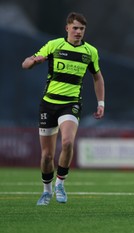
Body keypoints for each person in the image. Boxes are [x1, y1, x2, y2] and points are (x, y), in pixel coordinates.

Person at [21, 12, 105, 205]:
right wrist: (34, 61)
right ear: (67, 28)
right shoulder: (54, 45)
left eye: (82, 29)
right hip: (48, 103)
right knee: (47, 155)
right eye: (75, 28)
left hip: (71, 104)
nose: (78, 32)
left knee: (67, 143)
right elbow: (25, 64)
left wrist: (101, 103)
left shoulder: (90, 51)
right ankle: (46, 190)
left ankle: (60, 183)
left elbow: (97, 77)